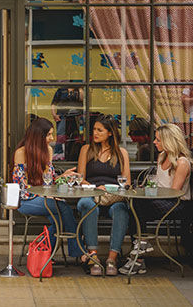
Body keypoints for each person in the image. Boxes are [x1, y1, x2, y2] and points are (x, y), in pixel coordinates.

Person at [120, 123, 193, 275]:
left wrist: (149, 192)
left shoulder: (182, 163)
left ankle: (140, 247)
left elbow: (173, 193)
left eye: (158, 140)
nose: (154, 142)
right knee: (132, 204)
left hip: (177, 204)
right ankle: (140, 252)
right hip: (159, 200)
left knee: (137, 202)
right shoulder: (162, 156)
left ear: (169, 141)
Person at [12, 118, 84, 259]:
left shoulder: (49, 150)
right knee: (64, 208)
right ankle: (80, 253)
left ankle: (40, 254)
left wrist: (62, 176)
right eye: (49, 135)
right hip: (26, 200)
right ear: (39, 136)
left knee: (59, 221)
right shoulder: (21, 152)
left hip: (45, 198)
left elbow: (49, 181)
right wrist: (45, 195)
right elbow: (21, 186)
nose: (52, 138)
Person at [76, 114, 131, 276]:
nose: (95, 133)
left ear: (110, 133)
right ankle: (93, 257)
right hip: (91, 194)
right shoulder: (86, 150)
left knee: (121, 209)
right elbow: (80, 179)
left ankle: (111, 259)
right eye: (94, 129)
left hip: (112, 196)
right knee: (86, 205)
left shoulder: (121, 153)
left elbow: (126, 183)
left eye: (100, 130)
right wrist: (95, 188)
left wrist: (109, 189)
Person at [50, 87, 84, 161]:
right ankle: (59, 154)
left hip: (76, 115)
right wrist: (54, 114)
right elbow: (54, 103)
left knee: (76, 135)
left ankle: (74, 153)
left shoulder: (78, 90)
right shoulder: (61, 90)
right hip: (62, 115)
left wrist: (80, 90)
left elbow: (82, 100)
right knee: (60, 134)